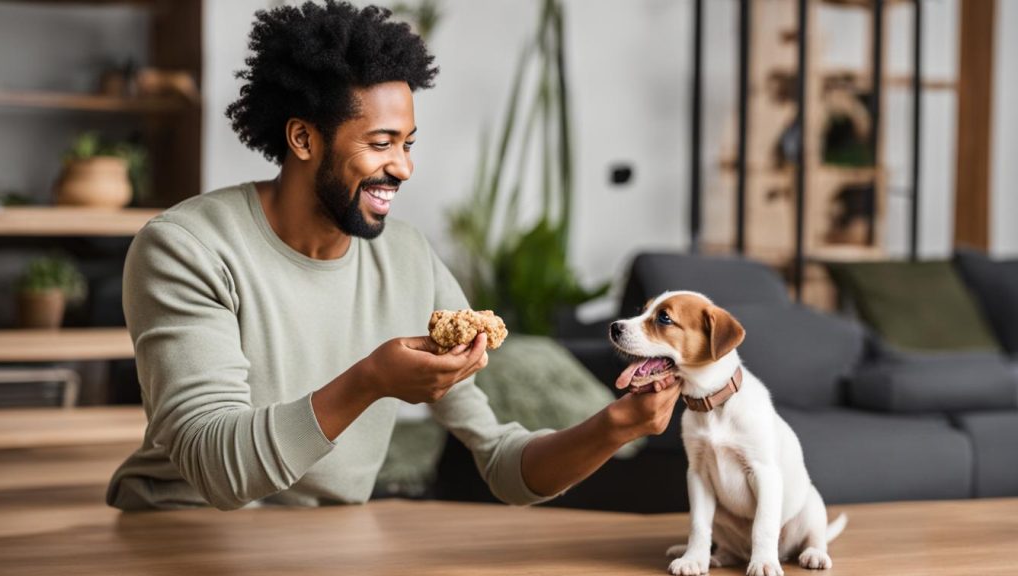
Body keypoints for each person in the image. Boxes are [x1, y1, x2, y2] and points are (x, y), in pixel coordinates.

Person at [107, 1, 680, 511]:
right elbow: (215, 471)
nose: (403, 168)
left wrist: (613, 428)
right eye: (380, 144)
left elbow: (501, 463)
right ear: (303, 139)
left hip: (328, 541)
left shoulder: (407, 256)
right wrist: (370, 381)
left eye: (407, 144)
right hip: (182, 527)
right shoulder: (186, 248)